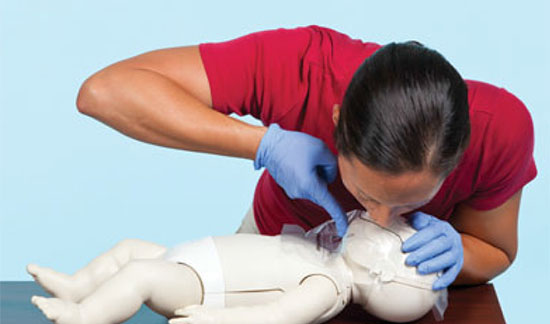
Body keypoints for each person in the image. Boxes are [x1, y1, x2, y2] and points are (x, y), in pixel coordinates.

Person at [75, 25, 537, 291]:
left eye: (408, 204)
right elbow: (105, 93)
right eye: (365, 193)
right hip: (274, 251)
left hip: (401, 280)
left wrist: (460, 255)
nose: (374, 218)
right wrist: (261, 145)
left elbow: (495, 250)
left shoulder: (501, 129)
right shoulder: (304, 69)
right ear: (336, 123)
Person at [27, 210, 444, 324]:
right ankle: (77, 287)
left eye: (393, 232)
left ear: (382, 270)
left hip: (201, 286)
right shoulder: (328, 253)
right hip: (194, 257)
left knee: (139, 276)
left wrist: (214, 319)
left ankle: (84, 317)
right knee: (130, 250)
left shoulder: (327, 285)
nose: (383, 218)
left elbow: (274, 317)